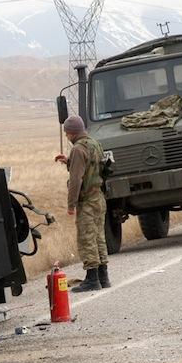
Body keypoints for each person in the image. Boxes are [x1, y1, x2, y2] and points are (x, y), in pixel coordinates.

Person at [57, 115, 110, 292]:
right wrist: (69, 162)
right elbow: (93, 168)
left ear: (71, 132)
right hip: (99, 197)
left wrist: (71, 205)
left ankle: (92, 278)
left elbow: (76, 179)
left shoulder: (78, 149)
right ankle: (104, 277)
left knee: (86, 238)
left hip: (87, 200)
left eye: (67, 133)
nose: (66, 136)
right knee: (98, 237)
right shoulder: (94, 144)